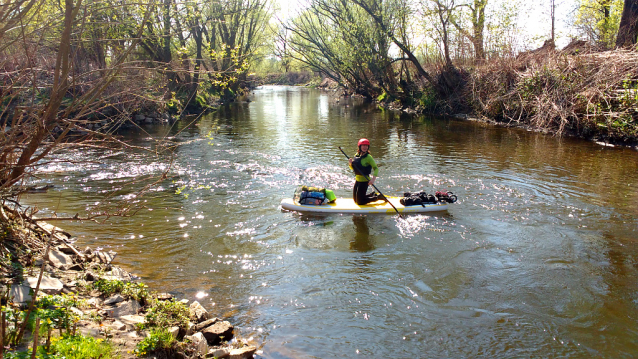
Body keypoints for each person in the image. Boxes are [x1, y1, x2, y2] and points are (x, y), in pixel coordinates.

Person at [349, 138, 382, 205]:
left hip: (364, 181)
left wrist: (373, 180)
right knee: (355, 200)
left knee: (360, 202)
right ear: (359, 146)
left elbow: (376, 168)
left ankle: (378, 197)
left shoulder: (368, 157)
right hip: (357, 180)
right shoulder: (356, 155)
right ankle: (372, 195)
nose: (365, 147)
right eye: (363, 145)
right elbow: (353, 168)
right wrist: (350, 164)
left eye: (366, 146)